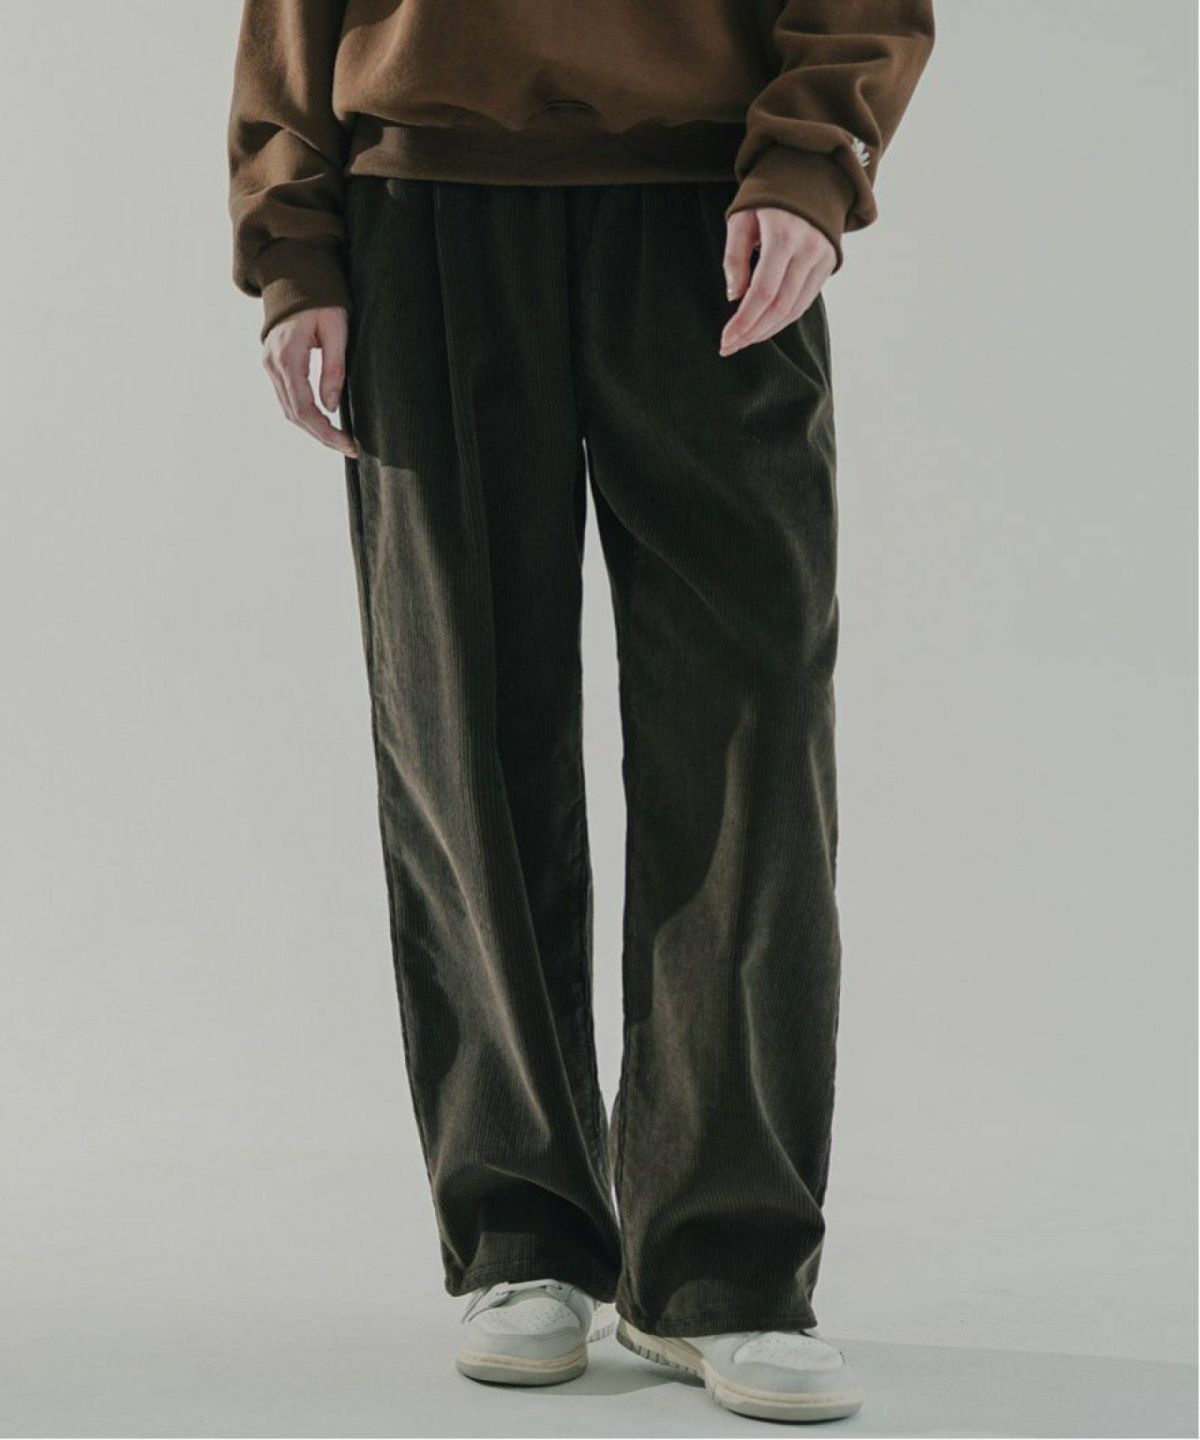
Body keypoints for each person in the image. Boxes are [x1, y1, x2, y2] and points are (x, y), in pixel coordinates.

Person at [228, 1, 933, 1423]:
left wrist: (811, 161)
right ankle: (522, 1235)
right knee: (461, 730)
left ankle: (725, 1267)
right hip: (423, 203)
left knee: (748, 736)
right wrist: (293, 244)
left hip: (712, 211)